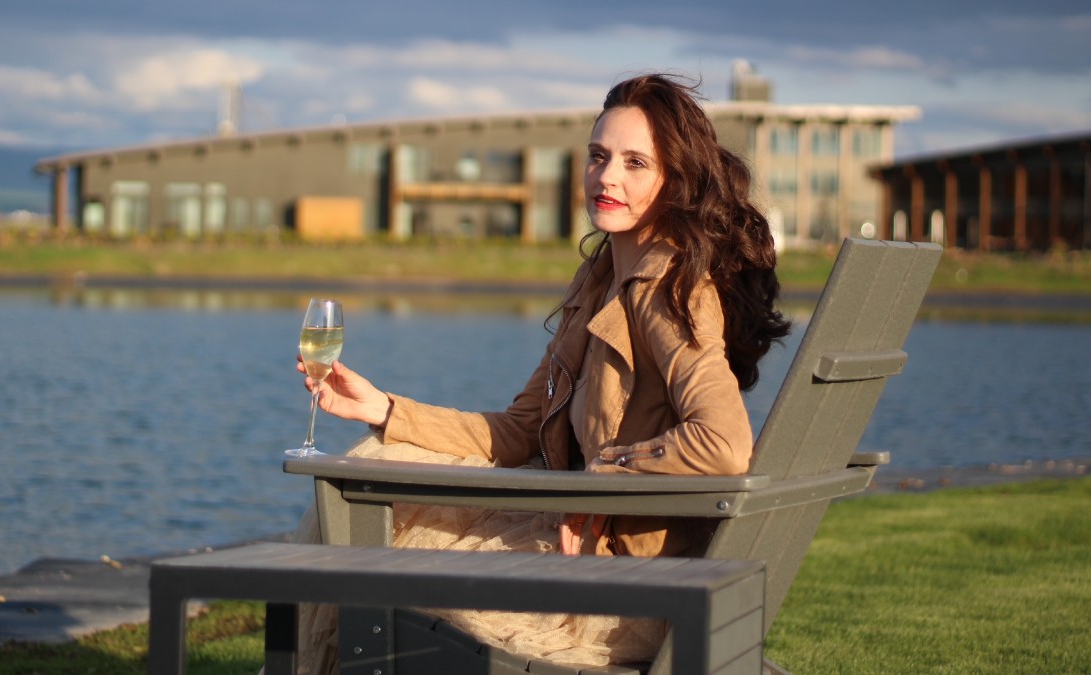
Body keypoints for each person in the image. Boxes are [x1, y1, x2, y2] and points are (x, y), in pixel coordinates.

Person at [290, 72, 791, 673]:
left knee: (366, 562)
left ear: (674, 182)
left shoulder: (669, 290)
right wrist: (383, 409)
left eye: (636, 163)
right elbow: (520, 432)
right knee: (369, 474)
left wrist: (604, 479)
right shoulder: (602, 278)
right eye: (599, 156)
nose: (607, 177)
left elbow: (724, 445)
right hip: (580, 539)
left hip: (624, 586)